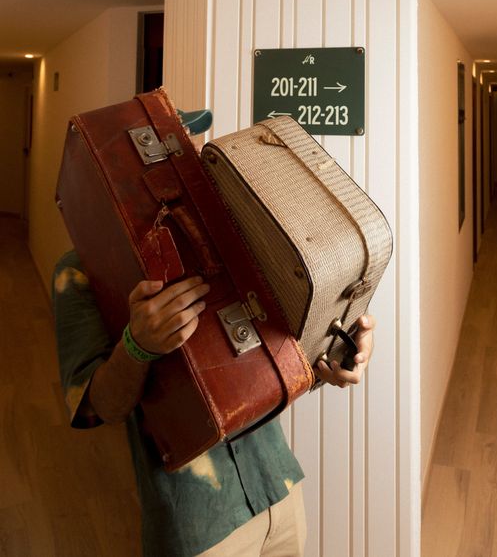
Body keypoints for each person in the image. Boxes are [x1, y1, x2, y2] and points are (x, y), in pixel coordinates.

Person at [52, 112, 376, 557]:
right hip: (197, 520)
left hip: (278, 488)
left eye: (188, 138)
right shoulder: (80, 269)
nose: (186, 150)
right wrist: (137, 346)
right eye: (173, 144)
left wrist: (336, 353)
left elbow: (283, 345)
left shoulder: (239, 235)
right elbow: (94, 406)